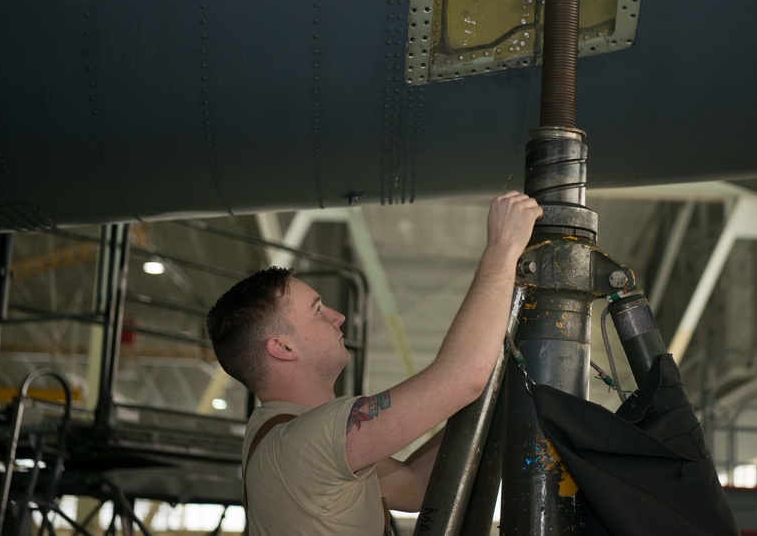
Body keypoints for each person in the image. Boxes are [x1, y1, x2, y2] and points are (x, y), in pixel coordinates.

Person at [206, 191, 542, 535]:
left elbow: (414, 487)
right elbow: (462, 377)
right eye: (317, 311)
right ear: (282, 347)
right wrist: (502, 247)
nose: (337, 317)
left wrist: (494, 405)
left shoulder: (284, 439)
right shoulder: (308, 439)